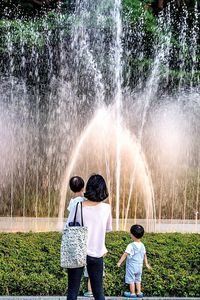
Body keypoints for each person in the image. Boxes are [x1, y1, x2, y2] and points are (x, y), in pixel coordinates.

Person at [66, 174, 112, 300]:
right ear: (103, 189)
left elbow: (68, 228)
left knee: (72, 292)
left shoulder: (78, 206)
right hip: (97, 254)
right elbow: (107, 228)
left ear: (88, 188)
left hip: (77, 252)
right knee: (98, 293)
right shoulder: (106, 209)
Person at [117, 224, 151, 298]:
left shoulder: (131, 245)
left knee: (131, 279)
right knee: (138, 279)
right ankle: (139, 292)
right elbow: (145, 256)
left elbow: (125, 254)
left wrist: (119, 262)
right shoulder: (142, 245)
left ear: (132, 235)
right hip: (139, 266)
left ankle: (132, 293)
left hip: (132, 266)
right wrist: (147, 264)